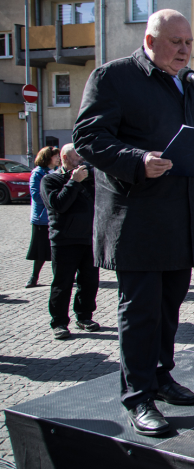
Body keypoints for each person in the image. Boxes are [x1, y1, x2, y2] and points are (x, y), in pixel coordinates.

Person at [73, 9, 194, 436]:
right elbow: (88, 137)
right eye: (175, 41)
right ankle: (138, 395)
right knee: (140, 311)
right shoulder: (114, 78)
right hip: (138, 219)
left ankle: (162, 377)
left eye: (188, 42)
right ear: (150, 40)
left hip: (183, 217)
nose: (184, 49)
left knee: (168, 309)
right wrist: (137, 160)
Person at [40, 144, 100, 340]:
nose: (81, 158)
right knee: (62, 283)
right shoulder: (50, 180)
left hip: (89, 239)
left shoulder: (88, 178)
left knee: (89, 281)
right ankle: (58, 322)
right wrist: (74, 182)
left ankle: (84, 316)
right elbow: (58, 205)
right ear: (65, 157)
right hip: (64, 240)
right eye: (77, 155)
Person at [26, 146, 60, 288]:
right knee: (40, 250)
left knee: (59, 249)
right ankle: (34, 277)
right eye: (56, 156)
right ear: (48, 157)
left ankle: (61, 276)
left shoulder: (58, 172)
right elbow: (36, 196)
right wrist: (55, 198)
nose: (58, 158)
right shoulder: (38, 173)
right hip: (42, 218)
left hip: (56, 216)